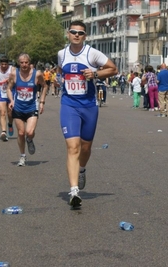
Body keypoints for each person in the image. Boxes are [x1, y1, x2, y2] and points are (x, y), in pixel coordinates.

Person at [56, 20, 118, 208]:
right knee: (73, 147)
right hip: (69, 105)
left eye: (80, 33)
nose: (76, 35)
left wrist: (95, 74)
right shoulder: (62, 54)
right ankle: (74, 191)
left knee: (85, 148)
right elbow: (60, 70)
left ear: (85, 36)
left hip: (89, 106)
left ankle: (81, 169)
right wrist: (61, 80)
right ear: (68, 34)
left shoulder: (92, 53)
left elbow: (113, 69)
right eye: (73, 32)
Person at [6, 53, 48, 167]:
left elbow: (45, 86)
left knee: (29, 132)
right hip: (18, 107)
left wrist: (42, 102)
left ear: (30, 63)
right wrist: (11, 100)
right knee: (20, 133)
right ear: (18, 63)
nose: (24, 65)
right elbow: (9, 88)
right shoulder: (14, 74)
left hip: (32, 107)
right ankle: (22, 156)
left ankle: (29, 140)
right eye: (22, 63)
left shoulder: (37, 74)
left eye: (26, 62)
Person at [0, 56, 14, 141]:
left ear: (8, 64)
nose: (4, 66)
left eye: (5, 64)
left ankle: (10, 124)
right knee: (2, 112)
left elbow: (17, 77)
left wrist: (10, 79)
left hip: (11, 93)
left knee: (10, 113)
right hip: (0, 92)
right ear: (0, 64)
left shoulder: (12, 69)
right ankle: (3, 132)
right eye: (2, 64)